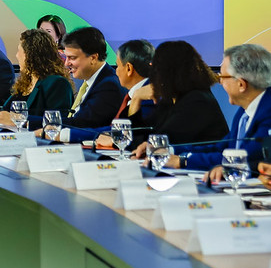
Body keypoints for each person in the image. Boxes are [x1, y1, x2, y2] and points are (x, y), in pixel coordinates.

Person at [135, 44, 271, 177]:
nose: (220, 82)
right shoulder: (244, 112)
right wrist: (170, 150)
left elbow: (243, 158)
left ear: (241, 84)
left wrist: (183, 161)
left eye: (222, 77)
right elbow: (220, 147)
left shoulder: (267, 112)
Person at [128, 41, 228, 151]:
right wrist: (136, 98)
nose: (153, 74)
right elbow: (140, 136)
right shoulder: (171, 100)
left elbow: (157, 142)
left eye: (156, 67)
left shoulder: (197, 101)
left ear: (169, 72)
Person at [36, 27, 125, 140]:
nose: (66, 64)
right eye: (66, 57)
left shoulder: (108, 86)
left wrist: (26, 121)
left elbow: (81, 123)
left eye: (72, 58)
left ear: (93, 58)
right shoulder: (91, 81)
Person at [0, 29, 72, 130]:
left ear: (31, 55)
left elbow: (58, 122)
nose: (17, 55)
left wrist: (17, 119)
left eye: (19, 51)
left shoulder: (57, 83)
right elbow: (4, 111)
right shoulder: (24, 83)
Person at [88, 39, 155, 146]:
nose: (116, 71)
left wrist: (114, 140)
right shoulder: (135, 92)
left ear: (129, 68)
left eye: (118, 66)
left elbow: (136, 133)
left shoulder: (149, 96)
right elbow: (116, 128)